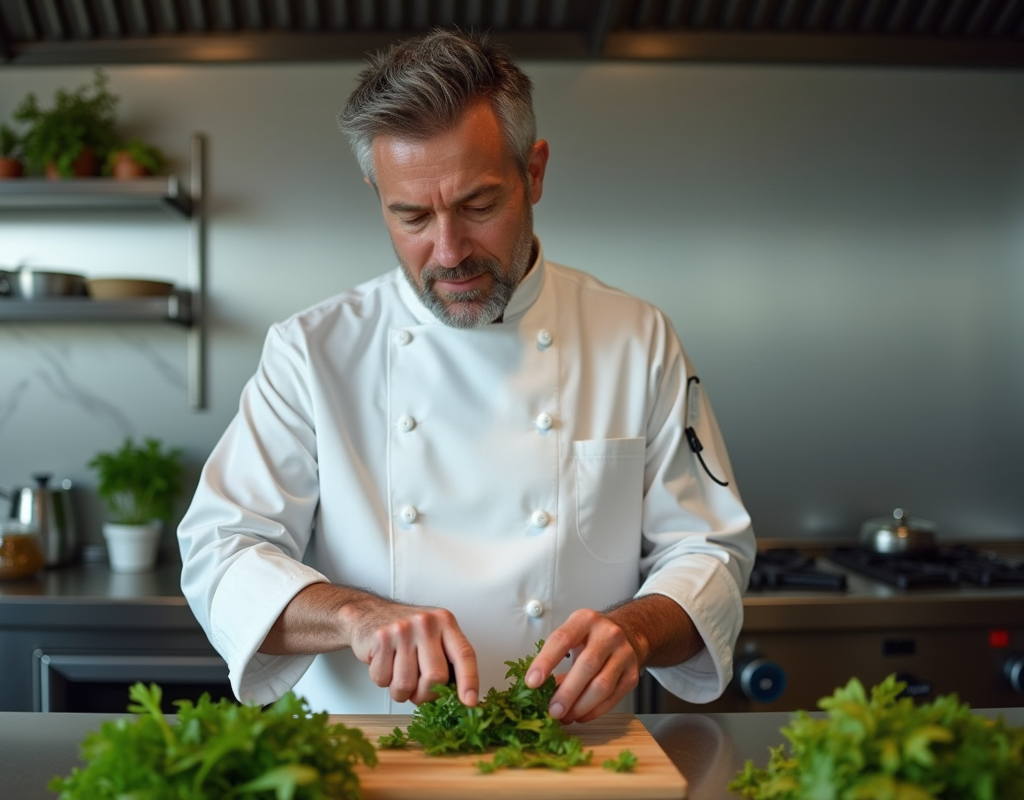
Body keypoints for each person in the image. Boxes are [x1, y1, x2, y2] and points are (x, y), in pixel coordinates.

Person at [179, 28, 755, 722]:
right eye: (412, 215)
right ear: (375, 194)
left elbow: (709, 550)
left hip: (572, 760)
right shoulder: (312, 351)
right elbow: (222, 550)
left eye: (479, 207)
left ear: (533, 173)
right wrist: (354, 615)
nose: (448, 252)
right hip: (366, 760)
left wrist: (636, 629)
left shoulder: (635, 338)